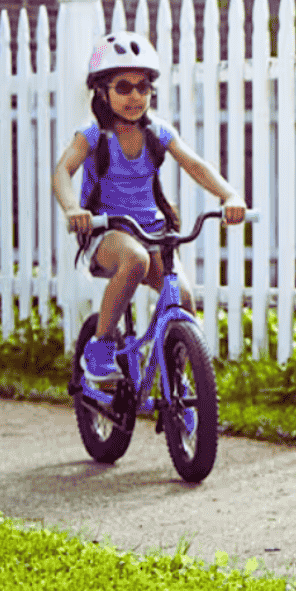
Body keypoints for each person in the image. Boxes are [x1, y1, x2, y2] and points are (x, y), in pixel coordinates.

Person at [52, 31, 245, 385]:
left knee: (182, 297)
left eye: (143, 87)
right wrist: (71, 208)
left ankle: (177, 382)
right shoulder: (93, 135)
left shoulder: (157, 132)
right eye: (124, 87)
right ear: (102, 92)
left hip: (152, 231)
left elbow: (195, 165)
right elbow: (62, 171)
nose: (135, 96)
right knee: (135, 259)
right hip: (107, 231)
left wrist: (229, 196)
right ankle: (100, 347)